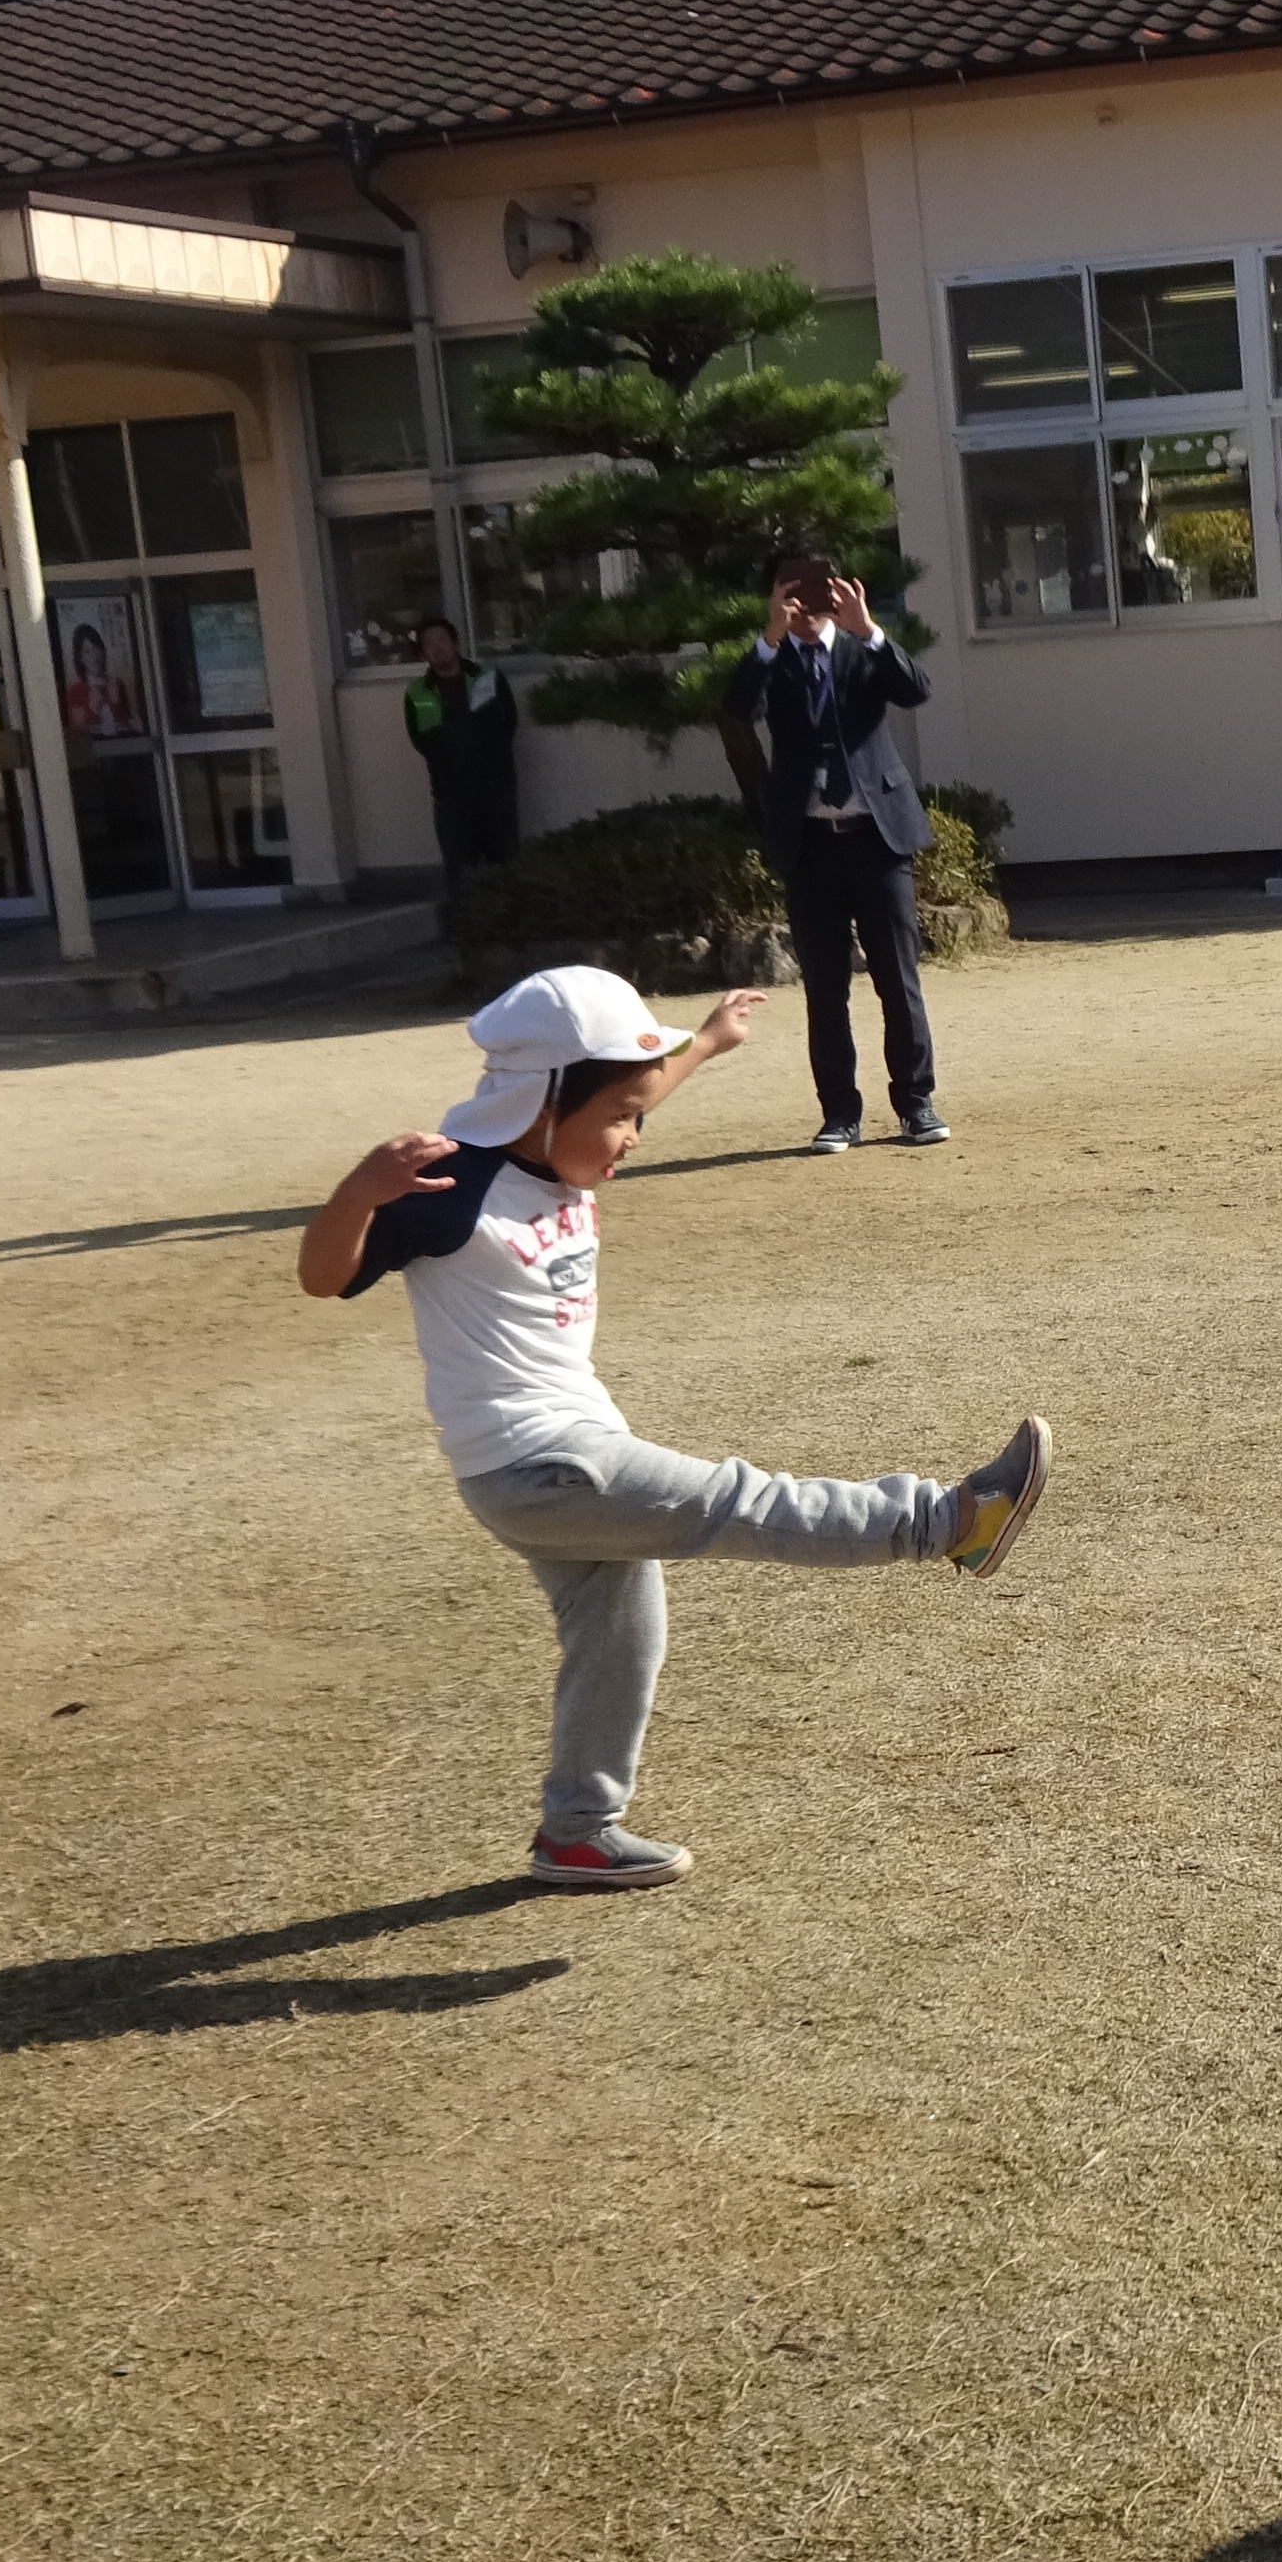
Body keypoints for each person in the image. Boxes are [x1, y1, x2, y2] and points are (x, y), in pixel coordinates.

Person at [298, 962, 1051, 1893]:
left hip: (550, 1464)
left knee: (620, 1636)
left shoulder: (563, 1139)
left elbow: (628, 1088)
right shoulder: (449, 1186)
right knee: (740, 1501)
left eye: (640, 1113)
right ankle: (947, 1522)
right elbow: (324, 1278)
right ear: (539, 1102)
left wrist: (707, 1042)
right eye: (621, 1117)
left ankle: (577, 1834)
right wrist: (358, 1194)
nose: (634, 1136)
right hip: (544, 1462)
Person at [728, 543, 942, 1151]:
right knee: (825, 988)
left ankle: (916, 1104)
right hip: (811, 847)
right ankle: (840, 1114)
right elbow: (737, 707)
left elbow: (916, 691)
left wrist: (868, 630)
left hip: (878, 839)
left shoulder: (861, 648)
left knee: (898, 980)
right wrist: (770, 638)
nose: (805, 603)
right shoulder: (771, 659)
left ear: (838, 588)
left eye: (816, 588)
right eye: (790, 590)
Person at [400, 616, 520, 896]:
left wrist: (495, 760)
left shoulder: (488, 677)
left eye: (442, 639)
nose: (437, 647)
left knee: (506, 864)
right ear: (423, 653)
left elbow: (509, 721)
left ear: (456, 644)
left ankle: (511, 919)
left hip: (495, 787)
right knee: (459, 869)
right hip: (450, 793)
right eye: (428, 644)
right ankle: (467, 919)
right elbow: (418, 738)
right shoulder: (417, 692)